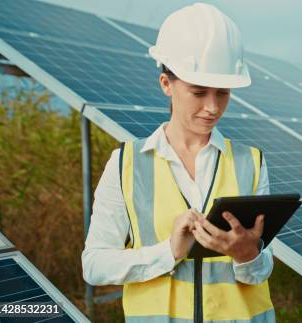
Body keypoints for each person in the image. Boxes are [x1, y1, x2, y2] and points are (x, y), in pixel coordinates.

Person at [81, 3, 275, 322]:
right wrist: (167, 252)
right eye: (198, 92)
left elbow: (262, 270)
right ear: (166, 84)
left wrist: (247, 256)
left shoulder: (251, 162)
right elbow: (94, 266)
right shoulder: (125, 165)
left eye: (223, 93)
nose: (212, 107)